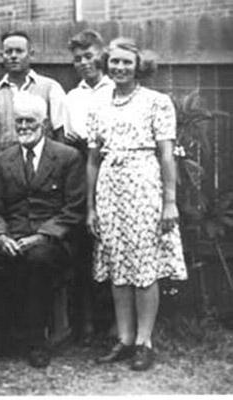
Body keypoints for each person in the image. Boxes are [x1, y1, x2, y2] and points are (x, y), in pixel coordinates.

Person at [86, 37, 187, 371]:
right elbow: (92, 160)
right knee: (118, 263)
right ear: (106, 64)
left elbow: (166, 154)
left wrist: (169, 202)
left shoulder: (157, 102)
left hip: (144, 186)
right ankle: (125, 339)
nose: (120, 68)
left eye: (127, 62)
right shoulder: (98, 105)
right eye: (114, 62)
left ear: (138, 66)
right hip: (109, 188)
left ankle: (145, 341)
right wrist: (91, 207)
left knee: (144, 264)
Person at [0, 92, 86, 368]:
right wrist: (0, 236)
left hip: (52, 241)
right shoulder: (2, 160)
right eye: (19, 122)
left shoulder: (68, 157)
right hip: (11, 237)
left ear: (44, 124)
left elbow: (73, 210)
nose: (23, 127)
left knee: (38, 261)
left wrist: (42, 236)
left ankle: (36, 342)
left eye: (30, 122)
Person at [64, 29, 115, 346]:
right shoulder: (72, 98)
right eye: (78, 59)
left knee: (110, 246)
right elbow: (70, 140)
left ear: (103, 55)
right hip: (81, 169)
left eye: (89, 56)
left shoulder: (117, 91)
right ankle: (83, 324)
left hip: (113, 167)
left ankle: (111, 323)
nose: (84, 63)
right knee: (82, 246)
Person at [0, 30, 67, 153]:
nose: (13, 56)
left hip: (43, 166)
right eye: (8, 52)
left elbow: (60, 134)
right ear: (2, 55)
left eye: (19, 51)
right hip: (4, 166)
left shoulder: (51, 88)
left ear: (30, 54)